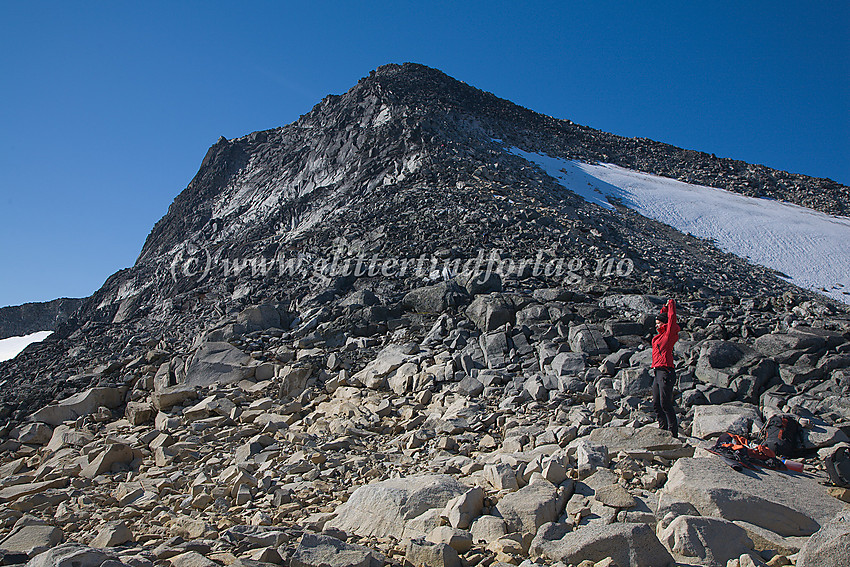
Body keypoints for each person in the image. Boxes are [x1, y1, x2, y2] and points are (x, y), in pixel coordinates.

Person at [652, 298, 680, 437]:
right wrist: (664, 307)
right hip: (657, 372)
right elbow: (664, 316)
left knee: (665, 404)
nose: (656, 326)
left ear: (664, 324)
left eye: (658, 324)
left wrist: (671, 304)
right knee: (656, 403)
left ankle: (673, 433)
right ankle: (662, 429)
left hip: (666, 372)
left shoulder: (668, 335)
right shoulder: (659, 337)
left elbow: (672, 318)